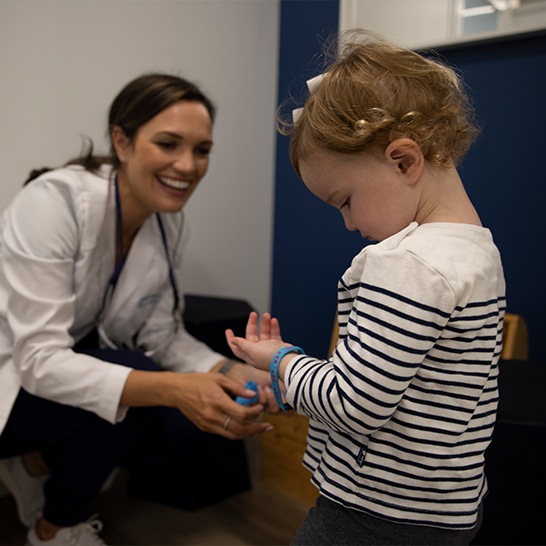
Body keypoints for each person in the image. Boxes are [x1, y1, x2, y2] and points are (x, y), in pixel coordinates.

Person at [226, 30, 506, 546]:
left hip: (374, 512)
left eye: (345, 201)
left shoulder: (407, 264)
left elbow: (355, 403)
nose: (349, 225)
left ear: (404, 161)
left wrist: (279, 360)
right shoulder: (477, 252)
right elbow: (410, 393)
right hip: (444, 508)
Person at [0, 73, 276, 546]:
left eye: (202, 150)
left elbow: (161, 336)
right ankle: (54, 529)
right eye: (168, 144)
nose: (187, 166)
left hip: (53, 379)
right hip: (14, 379)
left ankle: (36, 464)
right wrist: (173, 388)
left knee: (179, 425)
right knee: (145, 384)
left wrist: (230, 370)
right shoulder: (54, 203)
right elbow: (39, 361)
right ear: (121, 142)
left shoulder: (165, 223)